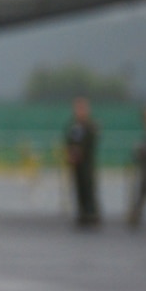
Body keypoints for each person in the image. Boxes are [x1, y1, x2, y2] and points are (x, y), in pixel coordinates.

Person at [66, 96, 101, 229]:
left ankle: (92, 214)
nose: (79, 111)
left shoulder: (91, 125)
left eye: (81, 108)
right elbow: (69, 139)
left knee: (89, 188)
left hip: (86, 163)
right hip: (76, 163)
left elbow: (91, 142)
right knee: (79, 188)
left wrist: (81, 152)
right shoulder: (74, 125)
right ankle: (82, 214)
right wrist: (71, 153)